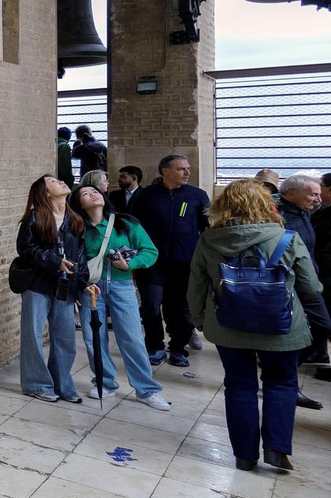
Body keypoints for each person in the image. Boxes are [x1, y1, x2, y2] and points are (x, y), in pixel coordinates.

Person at [188, 179, 321, 472]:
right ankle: (276, 449)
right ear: (267, 205)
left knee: (239, 386)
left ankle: (244, 455)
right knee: (282, 384)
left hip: (227, 325)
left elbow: (196, 287)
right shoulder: (288, 238)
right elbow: (311, 287)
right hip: (281, 326)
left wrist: (201, 321)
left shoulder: (209, 240)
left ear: (222, 207)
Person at [70, 183, 170, 409]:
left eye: (95, 191)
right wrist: (79, 286)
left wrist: (129, 264)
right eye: (85, 193)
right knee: (94, 338)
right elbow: (73, 259)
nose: (93, 194)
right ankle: (104, 382)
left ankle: (146, 389)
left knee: (131, 338)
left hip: (121, 286)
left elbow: (150, 251)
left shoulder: (126, 223)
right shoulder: (77, 228)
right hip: (92, 289)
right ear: (79, 204)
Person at [16, 175, 94, 403]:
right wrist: (53, 260)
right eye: (52, 181)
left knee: (65, 337)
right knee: (33, 335)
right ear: (46, 192)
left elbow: (81, 257)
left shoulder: (75, 220)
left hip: (65, 286)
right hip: (37, 284)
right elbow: (26, 249)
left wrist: (83, 284)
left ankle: (62, 383)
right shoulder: (34, 217)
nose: (60, 182)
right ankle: (36, 384)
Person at [129, 153, 210, 367]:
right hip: (152, 263)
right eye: (181, 169)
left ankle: (178, 348)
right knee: (151, 306)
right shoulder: (146, 195)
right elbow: (132, 225)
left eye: (187, 168)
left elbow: (208, 228)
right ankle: (154, 347)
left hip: (184, 264)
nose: (187, 172)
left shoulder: (197, 196)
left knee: (181, 309)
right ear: (166, 171)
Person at [278, 174, 331, 392]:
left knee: (321, 326)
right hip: (292, 283)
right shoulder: (280, 217)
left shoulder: (304, 213)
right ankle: (283, 378)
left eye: (319, 193)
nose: (317, 199)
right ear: (290, 194)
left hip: (309, 281)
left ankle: (283, 373)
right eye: (312, 194)